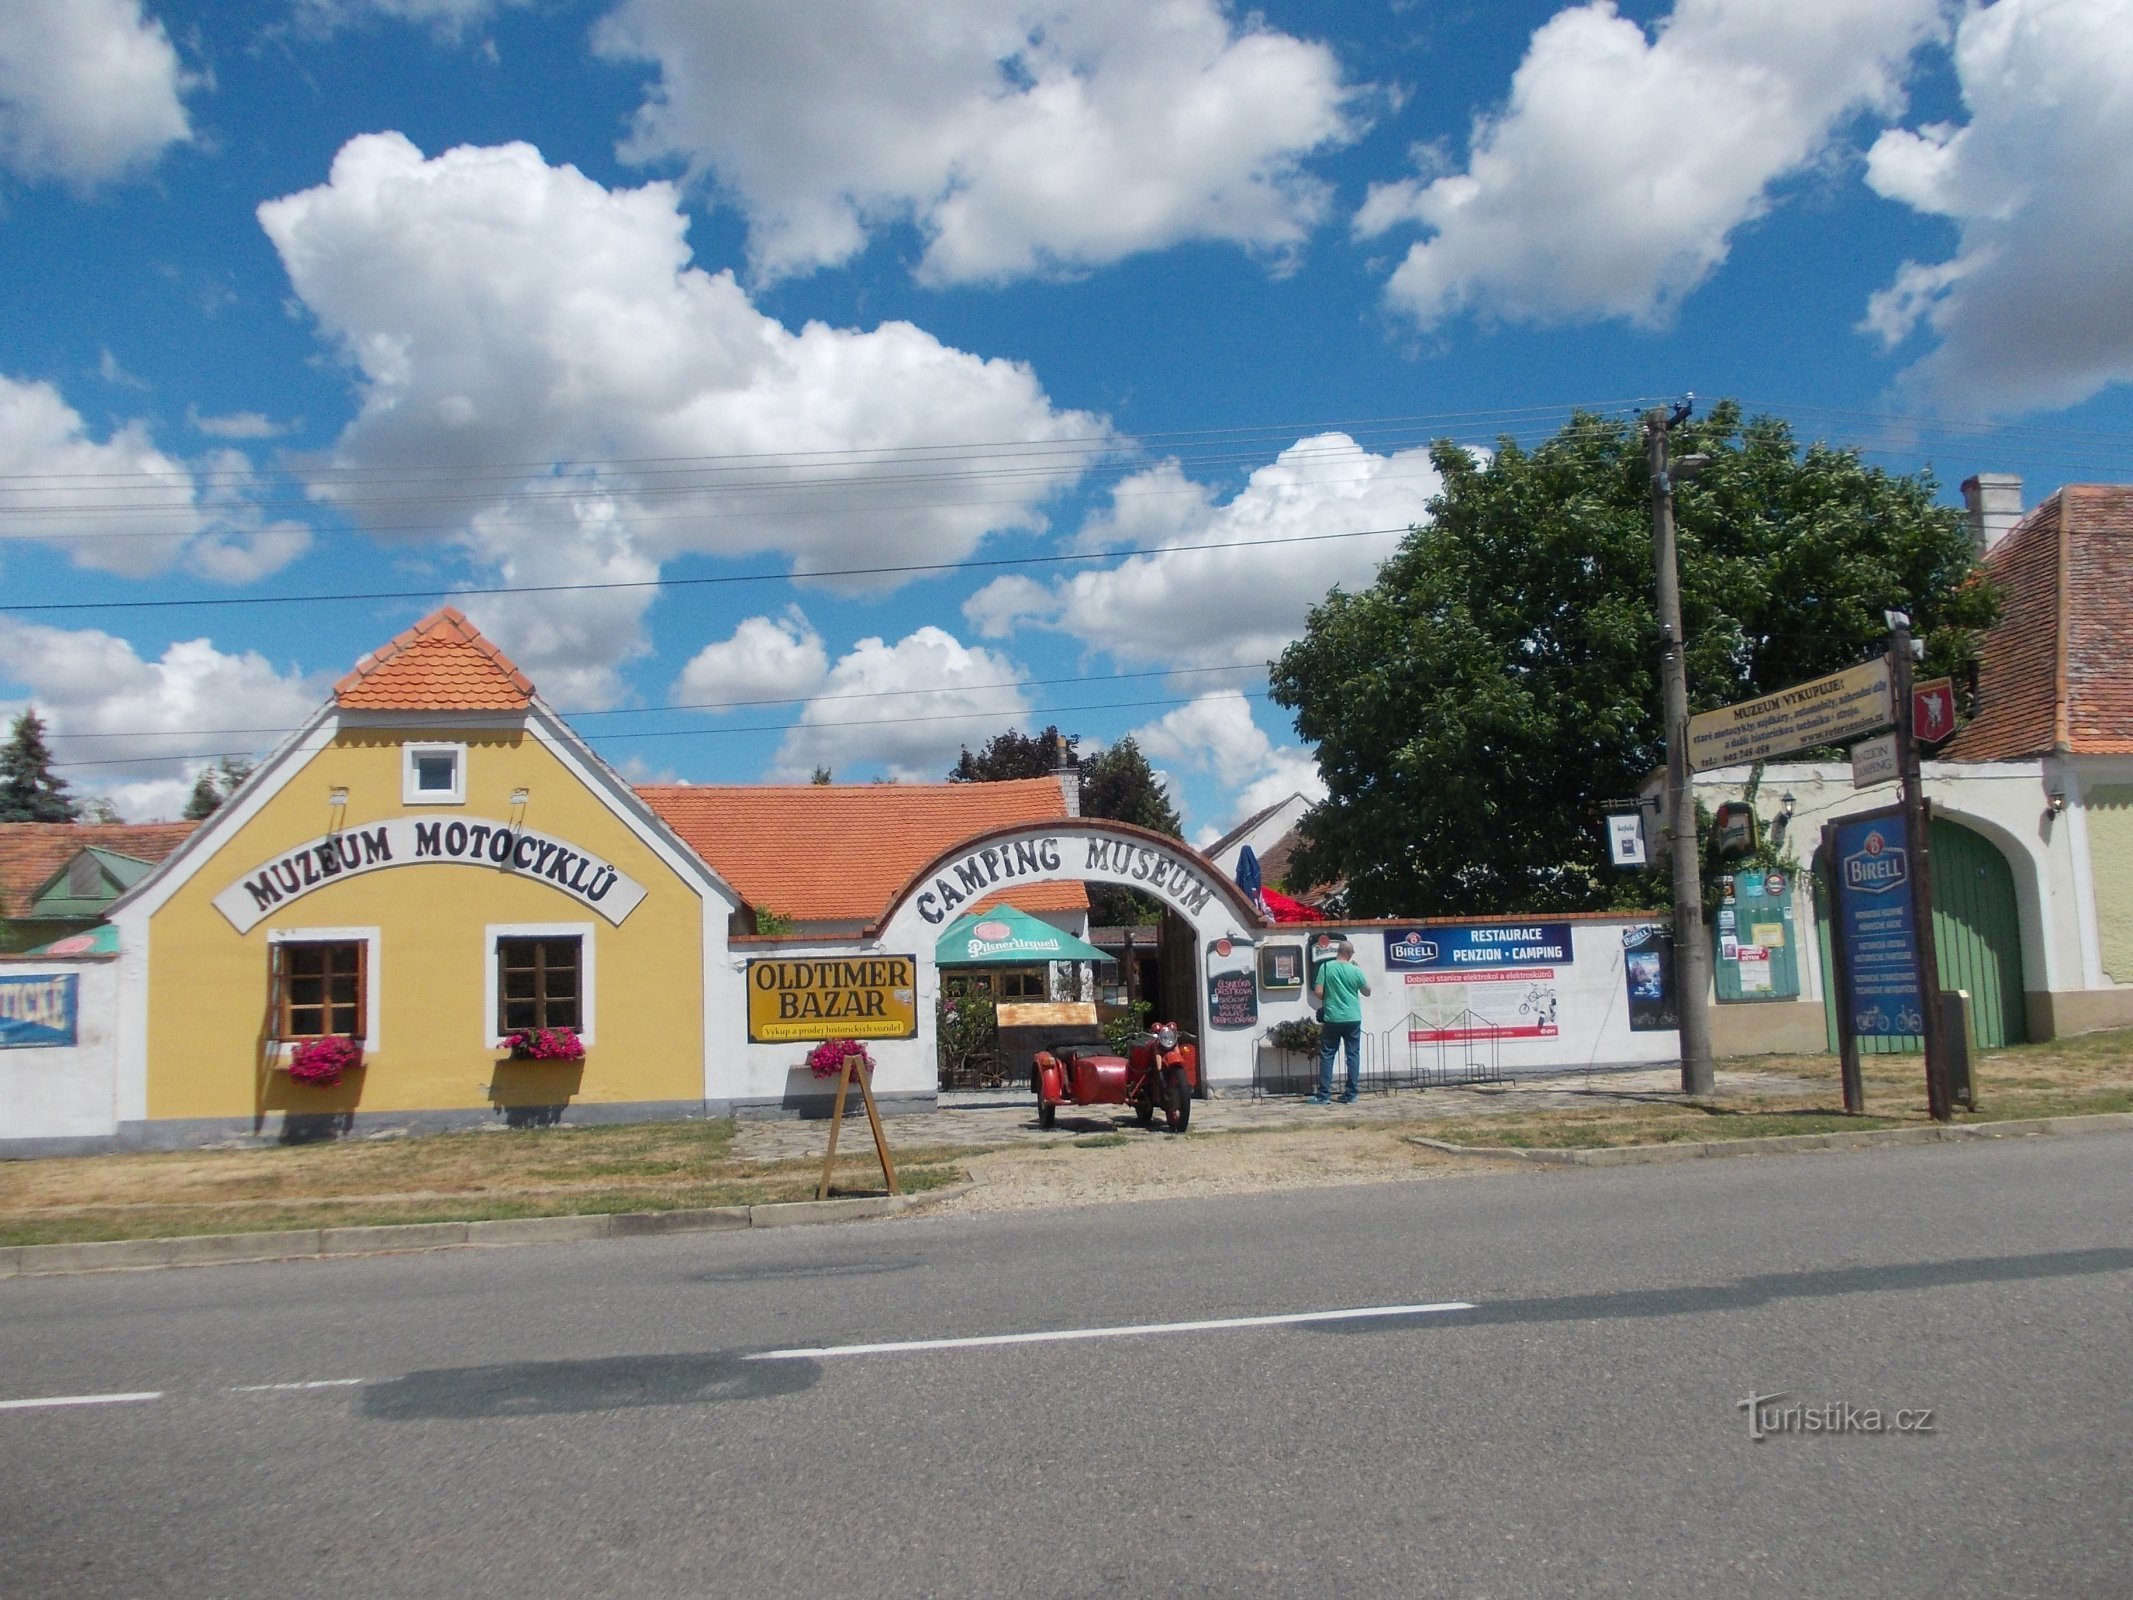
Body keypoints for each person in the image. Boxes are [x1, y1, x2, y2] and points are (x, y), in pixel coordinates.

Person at [1310, 940, 1371, 1104]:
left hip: (1333, 1017)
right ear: (1350, 954)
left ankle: (1324, 1094)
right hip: (1353, 1017)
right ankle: (1351, 1093)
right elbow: (1367, 992)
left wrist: (1330, 997)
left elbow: (1318, 992)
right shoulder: (1355, 970)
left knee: (1328, 1054)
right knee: (1352, 1055)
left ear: (1338, 951)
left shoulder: (1325, 967)